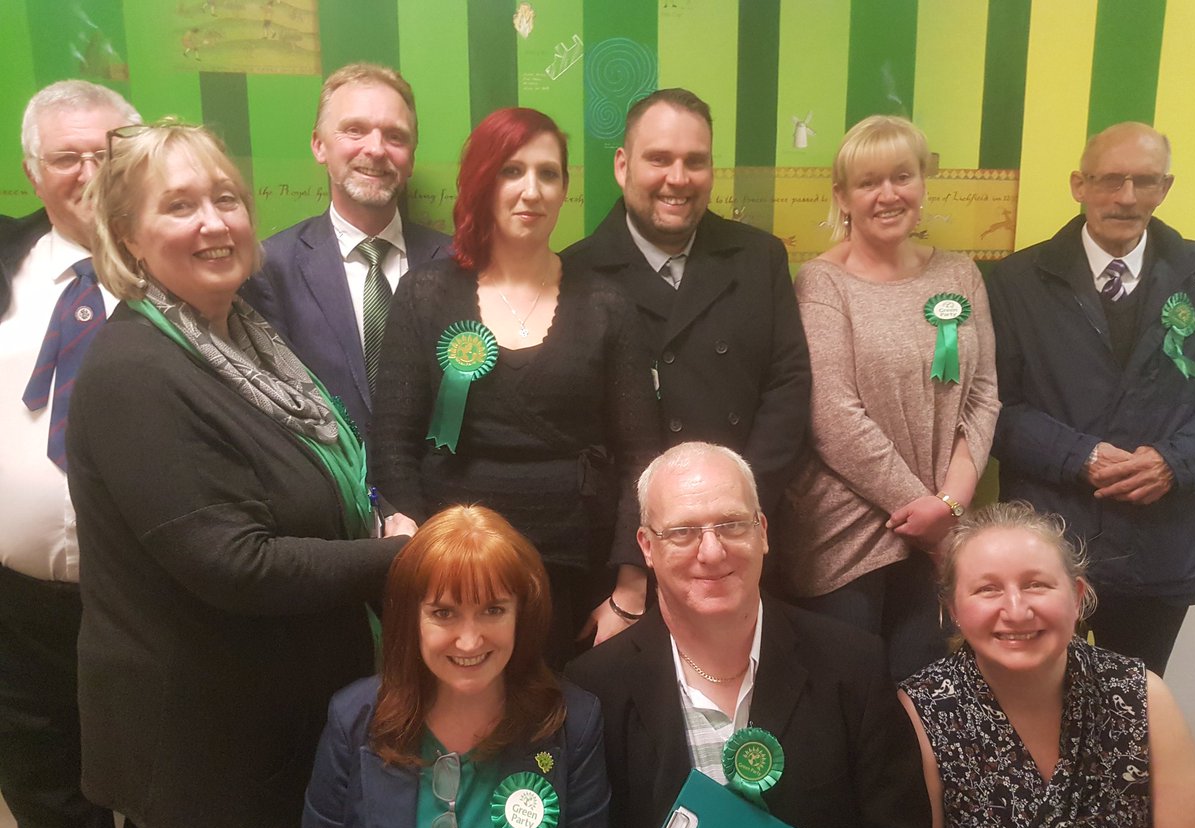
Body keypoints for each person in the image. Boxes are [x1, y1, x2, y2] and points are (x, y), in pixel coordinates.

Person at [67, 120, 412, 828]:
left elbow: (318, 474)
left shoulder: (245, 335)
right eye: (180, 206)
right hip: (211, 742)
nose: (215, 223)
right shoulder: (137, 371)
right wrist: (401, 557)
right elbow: (235, 562)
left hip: (277, 714)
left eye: (226, 199)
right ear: (128, 233)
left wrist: (373, 520)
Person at [566, 443, 949, 828]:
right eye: (684, 532)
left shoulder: (853, 665)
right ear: (647, 547)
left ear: (763, 532)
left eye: (731, 525)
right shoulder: (595, 689)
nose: (711, 552)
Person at [371, 108, 659, 664]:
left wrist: (629, 590)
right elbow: (392, 441)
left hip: (576, 576)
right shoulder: (425, 293)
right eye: (512, 171)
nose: (532, 191)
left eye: (548, 174)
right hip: (456, 579)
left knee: (560, 736)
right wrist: (418, 561)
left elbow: (641, 457)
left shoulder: (606, 304)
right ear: (482, 180)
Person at [289, 504, 613, 828]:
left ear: (521, 616)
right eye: (444, 612)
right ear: (412, 618)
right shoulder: (352, 719)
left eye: (493, 610)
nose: (469, 641)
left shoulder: (572, 722)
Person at [778, 115, 1000, 681]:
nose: (888, 194)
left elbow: (982, 397)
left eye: (902, 176)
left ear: (924, 183)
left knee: (922, 712)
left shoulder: (960, 274)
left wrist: (949, 505)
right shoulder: (822, 283)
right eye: (868, 181)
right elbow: (832, 417)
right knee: (849, 714)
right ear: (842, 197)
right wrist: (932, 520)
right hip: (844, 540)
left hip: (936, 539)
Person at [900, 502, 1195, 828]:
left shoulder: (1140, 693)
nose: (1016, 609)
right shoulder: (922, 707)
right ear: (954, 609)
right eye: (988, 589)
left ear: (1077, 597)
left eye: (1036, 584)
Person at [988, 121, 1195, 676]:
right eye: (1111, 180)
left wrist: (1174, 462)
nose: (1126, 197)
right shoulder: (1014, 282)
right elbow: (993, 410)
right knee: (1035, 697)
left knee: (1133, 702)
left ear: (1167, 187)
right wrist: (1081, 456)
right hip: (1050, 536)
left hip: (1161, 538)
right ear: (1078, 184)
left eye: (1144, 181)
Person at [0, 79, 138, 828]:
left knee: (166, 815)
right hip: (15, 614)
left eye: (106, 153)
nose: (87, 171)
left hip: (150, 609)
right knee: (53, 818)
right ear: (30, 169)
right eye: (65, 156)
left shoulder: (185, 265)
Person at [562, 88, 809, 519]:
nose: (678, 178)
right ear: (622, 166)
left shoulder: (760, 258)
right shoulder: (575, 273)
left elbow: (787, 388)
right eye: (658, 159)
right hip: (624, 536)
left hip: (744, 524)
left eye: (695, 161)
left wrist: (742, 507)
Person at [242, 63, 450, 438]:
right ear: (319, 146)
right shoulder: (270, 268)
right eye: (354, 130)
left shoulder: (459, 263)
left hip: (435, 491)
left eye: (395, 137)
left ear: (412, 158)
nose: (375, 149)